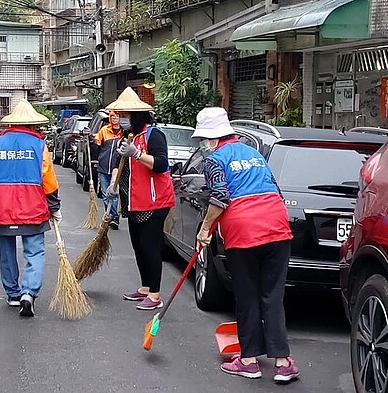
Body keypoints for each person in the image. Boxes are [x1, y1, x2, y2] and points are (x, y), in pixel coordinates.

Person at [192, 107, 299, 383]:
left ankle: (249, 360)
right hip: (277, 226)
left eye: (203, 139)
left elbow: (220, 197)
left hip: (244, 232)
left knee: (248, 295)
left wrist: (205, 230)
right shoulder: (254, 154)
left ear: (213, 138)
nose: (203, 144)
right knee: (273, 296)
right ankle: (283, 362)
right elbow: (274, 188)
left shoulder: (214, 160)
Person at [0, 99, 62, 317]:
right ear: (33, 124)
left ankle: (12, 294)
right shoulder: (39, 145)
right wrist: (54, 206)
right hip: (34, 208)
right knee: (35, 251)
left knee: (6, 252)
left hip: (2, 209)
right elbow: (48, 179)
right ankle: (29, 292)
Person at [105, 87, 175, 311]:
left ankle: (155, 295)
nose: (121, 119)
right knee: (138, 245)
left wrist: (137, 154)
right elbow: (118, 164)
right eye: (120, 115)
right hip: (133, 201)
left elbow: (162, 164)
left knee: (151, 247)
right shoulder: (127, 136)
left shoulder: (154, 135)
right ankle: (145, 287)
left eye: (125, 115)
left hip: (154, 202)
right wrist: (113, 184)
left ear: (136, 115)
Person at [92, 111, 123, 229]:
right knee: (105, 194)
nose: (115, 118)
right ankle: (110, 215)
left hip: (118, 169)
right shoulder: (104, 130)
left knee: (113, 192)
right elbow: (96, 146)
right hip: (103, 167)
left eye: (117, 116)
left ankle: (114, 217)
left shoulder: (125, 133)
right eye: (112, 116)